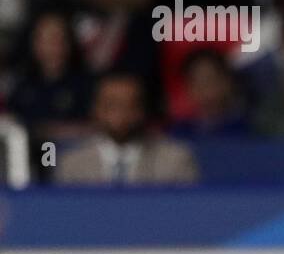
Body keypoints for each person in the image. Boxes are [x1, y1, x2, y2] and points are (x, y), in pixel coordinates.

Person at [54, 73, 198, 185]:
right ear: (96, 109)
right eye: (111, 105)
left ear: (143, 110)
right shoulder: (71, 164)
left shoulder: (175, 160)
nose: (121, 114)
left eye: (130, 105)